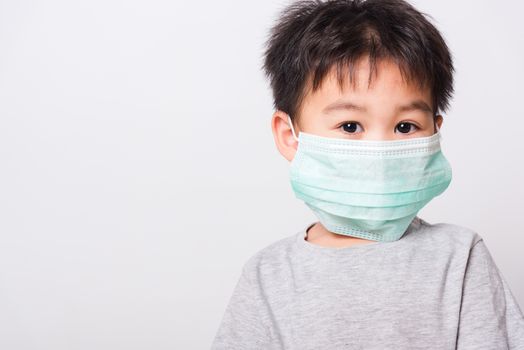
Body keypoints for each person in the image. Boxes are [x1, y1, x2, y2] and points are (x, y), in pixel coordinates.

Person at [210, 0, 524, 348]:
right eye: (350, 125)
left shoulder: (461, 258)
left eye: (405, 126)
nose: (379, 150)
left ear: (435, 133)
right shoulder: (268, 275)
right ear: (290, 137)